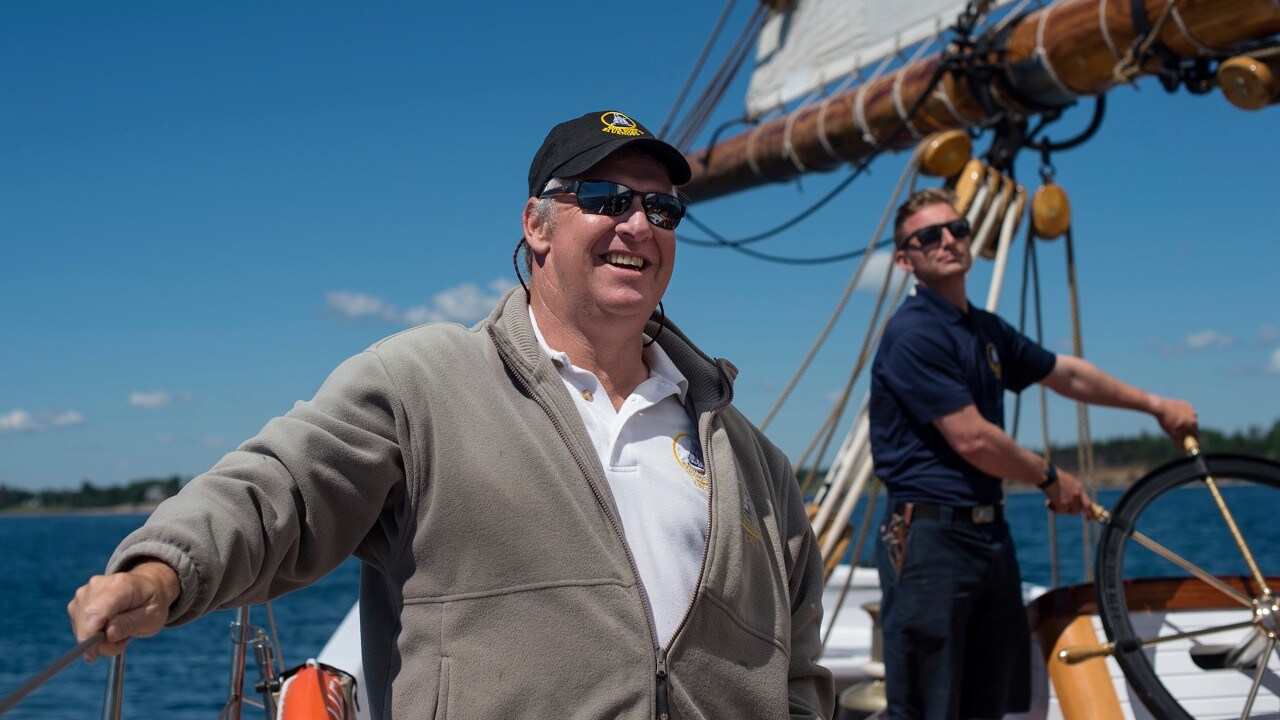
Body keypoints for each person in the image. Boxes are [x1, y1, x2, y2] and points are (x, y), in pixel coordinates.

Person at [67, 110, 834, 720]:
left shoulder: (746, 455)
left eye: (661, 209)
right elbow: (285, 490)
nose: (638, 224)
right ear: (537, 226)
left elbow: (794, 654)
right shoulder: (425, 384)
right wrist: (165, 569)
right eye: (606, 200)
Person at [868, 188, 1198, 719]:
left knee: (988, 702)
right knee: (929, 707)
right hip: (929, 542)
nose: (948, 240)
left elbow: (1065, 372)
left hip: (988, 537)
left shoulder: (985, 331)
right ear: (906, 259)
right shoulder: (913, 334)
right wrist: (1049, 477)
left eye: (958, 228)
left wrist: (1154, 405)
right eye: (930, 235)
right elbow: (972, 437)